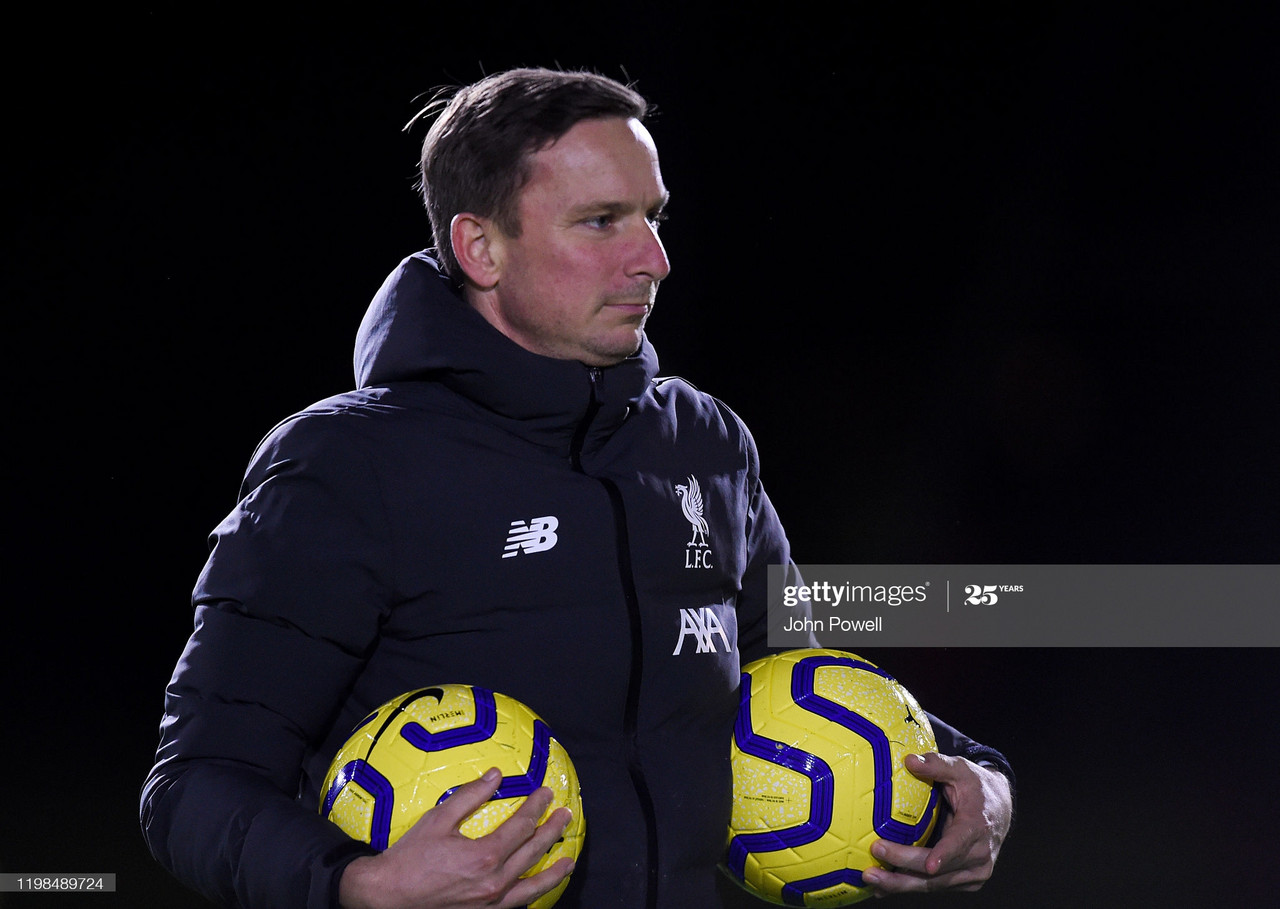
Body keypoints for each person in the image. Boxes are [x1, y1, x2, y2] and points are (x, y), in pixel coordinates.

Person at [140, 67, 1014, 909]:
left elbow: (807, 692)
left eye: (653, 216)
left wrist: (982, 779)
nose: (655, 259)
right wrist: (353, 884)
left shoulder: (706, 444)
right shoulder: (345, 466)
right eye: (601, 222)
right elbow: (196, 782)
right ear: (480, 246)